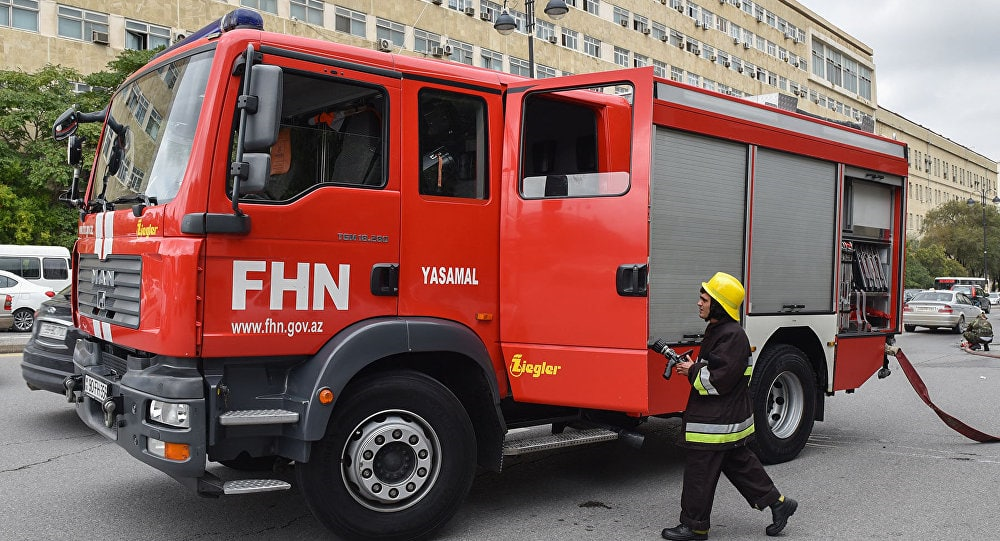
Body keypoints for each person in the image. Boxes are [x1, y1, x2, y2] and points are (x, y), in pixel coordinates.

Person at [661, 272, 797, 541]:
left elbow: (718, 380)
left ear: (718, 305)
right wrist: (695, 367)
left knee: (700, 472)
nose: (698, 303)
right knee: (740, 465)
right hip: (725, 417)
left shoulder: (731, 336)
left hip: (716, 420)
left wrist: (691, 370)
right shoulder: (721, 330)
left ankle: (695, 527)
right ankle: (779, 504)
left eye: (704, 299)